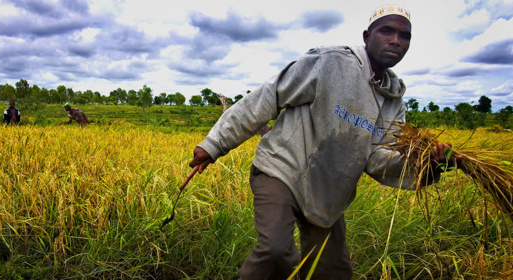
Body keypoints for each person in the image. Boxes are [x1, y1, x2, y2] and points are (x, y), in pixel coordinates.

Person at [188, 4, 461, 279]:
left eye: (405, 36)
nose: (395, 40)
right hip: (281, 170)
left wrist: (429, 164)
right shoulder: (330, 62)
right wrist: (213, 146)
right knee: (275, 250)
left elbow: (379, 160)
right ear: (367, 36)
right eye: (387, 31)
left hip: (329, 190)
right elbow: (268, 97)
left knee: (332, 270)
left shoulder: (393, 105)